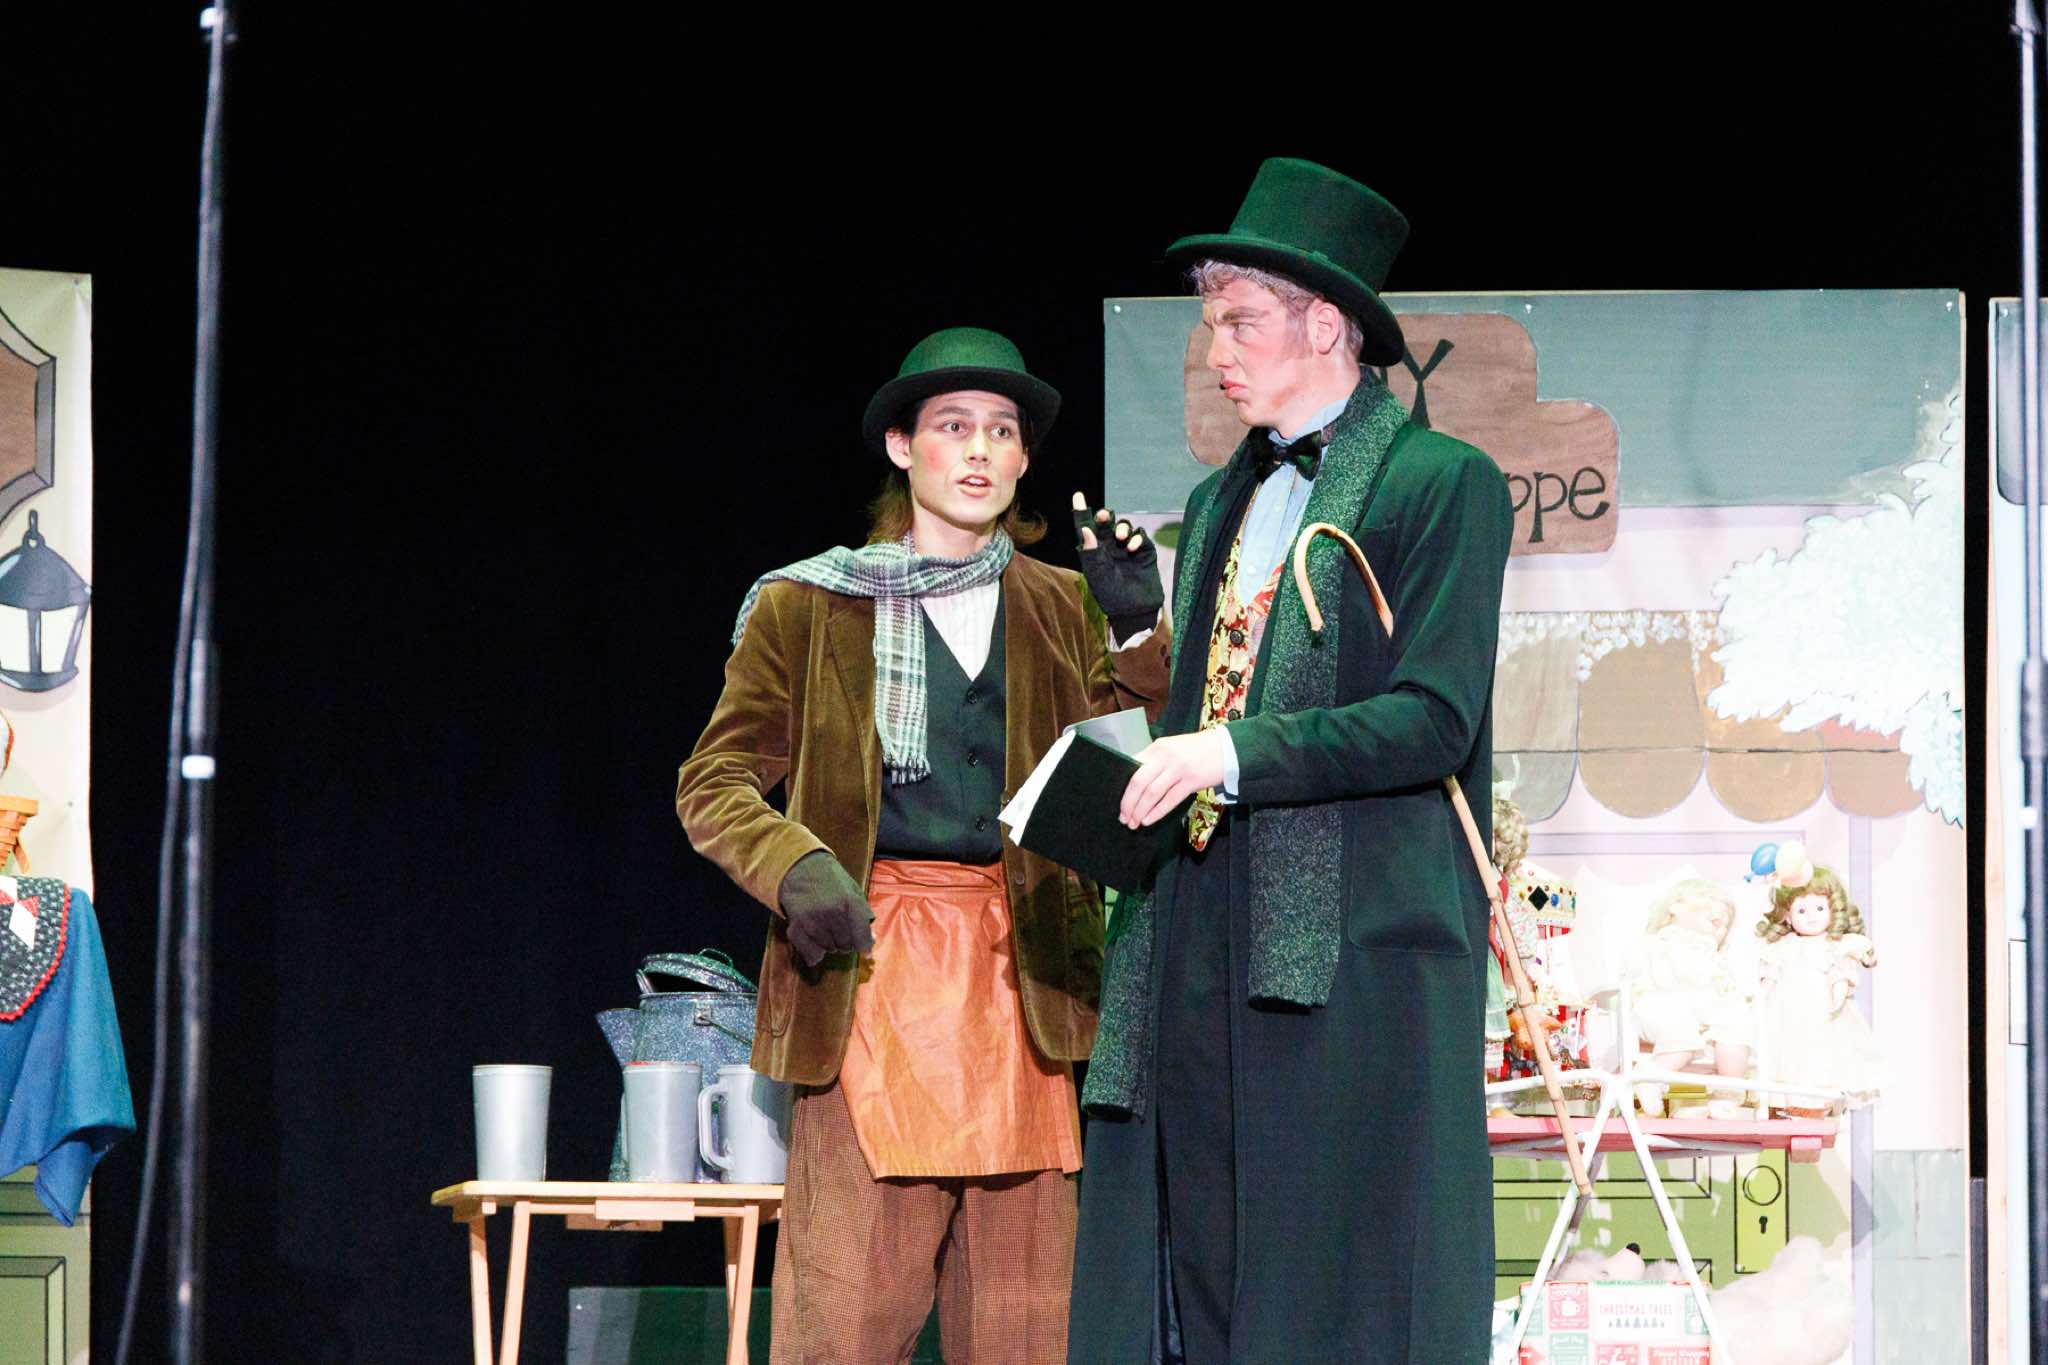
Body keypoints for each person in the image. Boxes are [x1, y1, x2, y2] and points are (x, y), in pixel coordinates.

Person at [1070, 158, 1513, 1362]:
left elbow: (1433, 718)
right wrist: (1142, 650)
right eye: (1211, 322)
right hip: (1205, 921)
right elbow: (1222, 688)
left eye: (1240, 320)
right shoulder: (1221, 497)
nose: (1215, 347)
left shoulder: (1441, 484)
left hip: (1348, 938)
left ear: (1325, 326)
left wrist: (1227, 751)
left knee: (1335, 1266)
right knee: (1208, 1262)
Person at [677, 326, 1170, 1365]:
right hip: (871, 974)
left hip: (1021, 984)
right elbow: (713, 782)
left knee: (1027, 1327)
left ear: (1024, 458)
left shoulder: (1057, 604)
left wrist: (1137, 638)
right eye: (953, 427)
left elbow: (1147, 772)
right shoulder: (809, 604)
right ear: (902, 446)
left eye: (1002, 430)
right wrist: (794, 867)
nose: (980, 449)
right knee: (846, 1322)